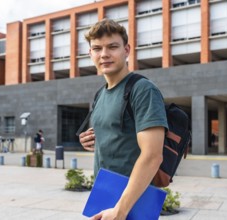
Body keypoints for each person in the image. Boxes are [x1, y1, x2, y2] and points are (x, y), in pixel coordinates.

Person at [79, 19, 168, 220]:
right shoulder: (100, 94)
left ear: (126, 50)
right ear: (90, 54)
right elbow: (116, 137)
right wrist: (92, 140)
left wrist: (120, 210)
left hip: (131, 204)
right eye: (97, 48)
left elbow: (153, 156)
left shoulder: (142, 90)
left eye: (112, 47)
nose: (104, 54)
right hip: (105, 196)